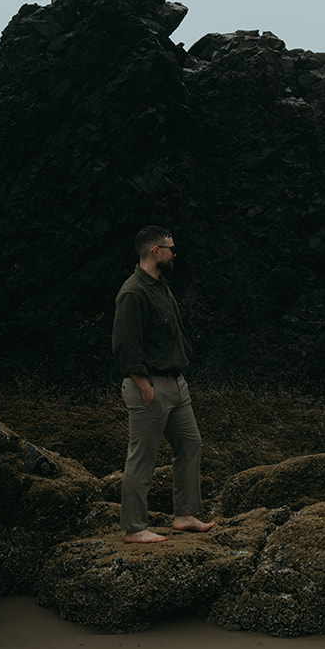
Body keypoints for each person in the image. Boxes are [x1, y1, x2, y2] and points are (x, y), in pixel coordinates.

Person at [112, 225, 214, 543]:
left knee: (190, 443)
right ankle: (134, 528)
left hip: (175, 384)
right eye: (170, 248)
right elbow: (125, 347)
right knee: (142, 456)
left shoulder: (160, 286)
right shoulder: (133, 293)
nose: (174, 253)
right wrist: (144, 387)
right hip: (149, 387)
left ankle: (184, 515)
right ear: (155, 251)